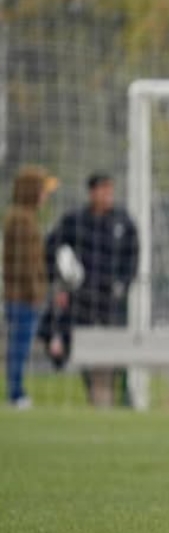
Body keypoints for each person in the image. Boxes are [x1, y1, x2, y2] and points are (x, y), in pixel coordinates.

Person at [45, 172, 139, 407]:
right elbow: (51, 247)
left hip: (112, 299)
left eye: (110, 189)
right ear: (92, 192)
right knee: (83, 347)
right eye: (103, 190)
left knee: (116, 346)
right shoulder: (75, 220)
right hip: (82, 299)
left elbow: (133, 255)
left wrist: (124, 283)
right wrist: (61, 279)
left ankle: (120, 393)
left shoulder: (122, 220)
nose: (108, 195)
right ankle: (94, 393)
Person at [3, 165, 58, 408]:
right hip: (22, 296)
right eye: (42, 191)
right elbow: (25, 263)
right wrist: (35, 294)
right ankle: (16, 392)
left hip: (19, 294)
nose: (45, 196)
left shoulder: (21, 217)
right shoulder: (22, 220)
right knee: (19, 346)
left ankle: (17, 390)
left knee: (19, 344)